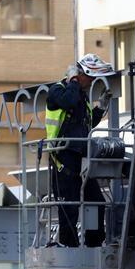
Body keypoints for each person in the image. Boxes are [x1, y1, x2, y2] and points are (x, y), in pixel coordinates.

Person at [45, 53, 116, 247]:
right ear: (81, 74)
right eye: (90, 78)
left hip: (80, 158)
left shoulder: (80, 96)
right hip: (63, 157)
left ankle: (93, 243)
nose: (91, 82)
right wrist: (74, 80)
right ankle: (69, 246)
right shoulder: (57, 91)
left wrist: (100, 108)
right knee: (69, 206)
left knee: (97, 201)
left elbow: (86, 123)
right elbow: (67, 102)